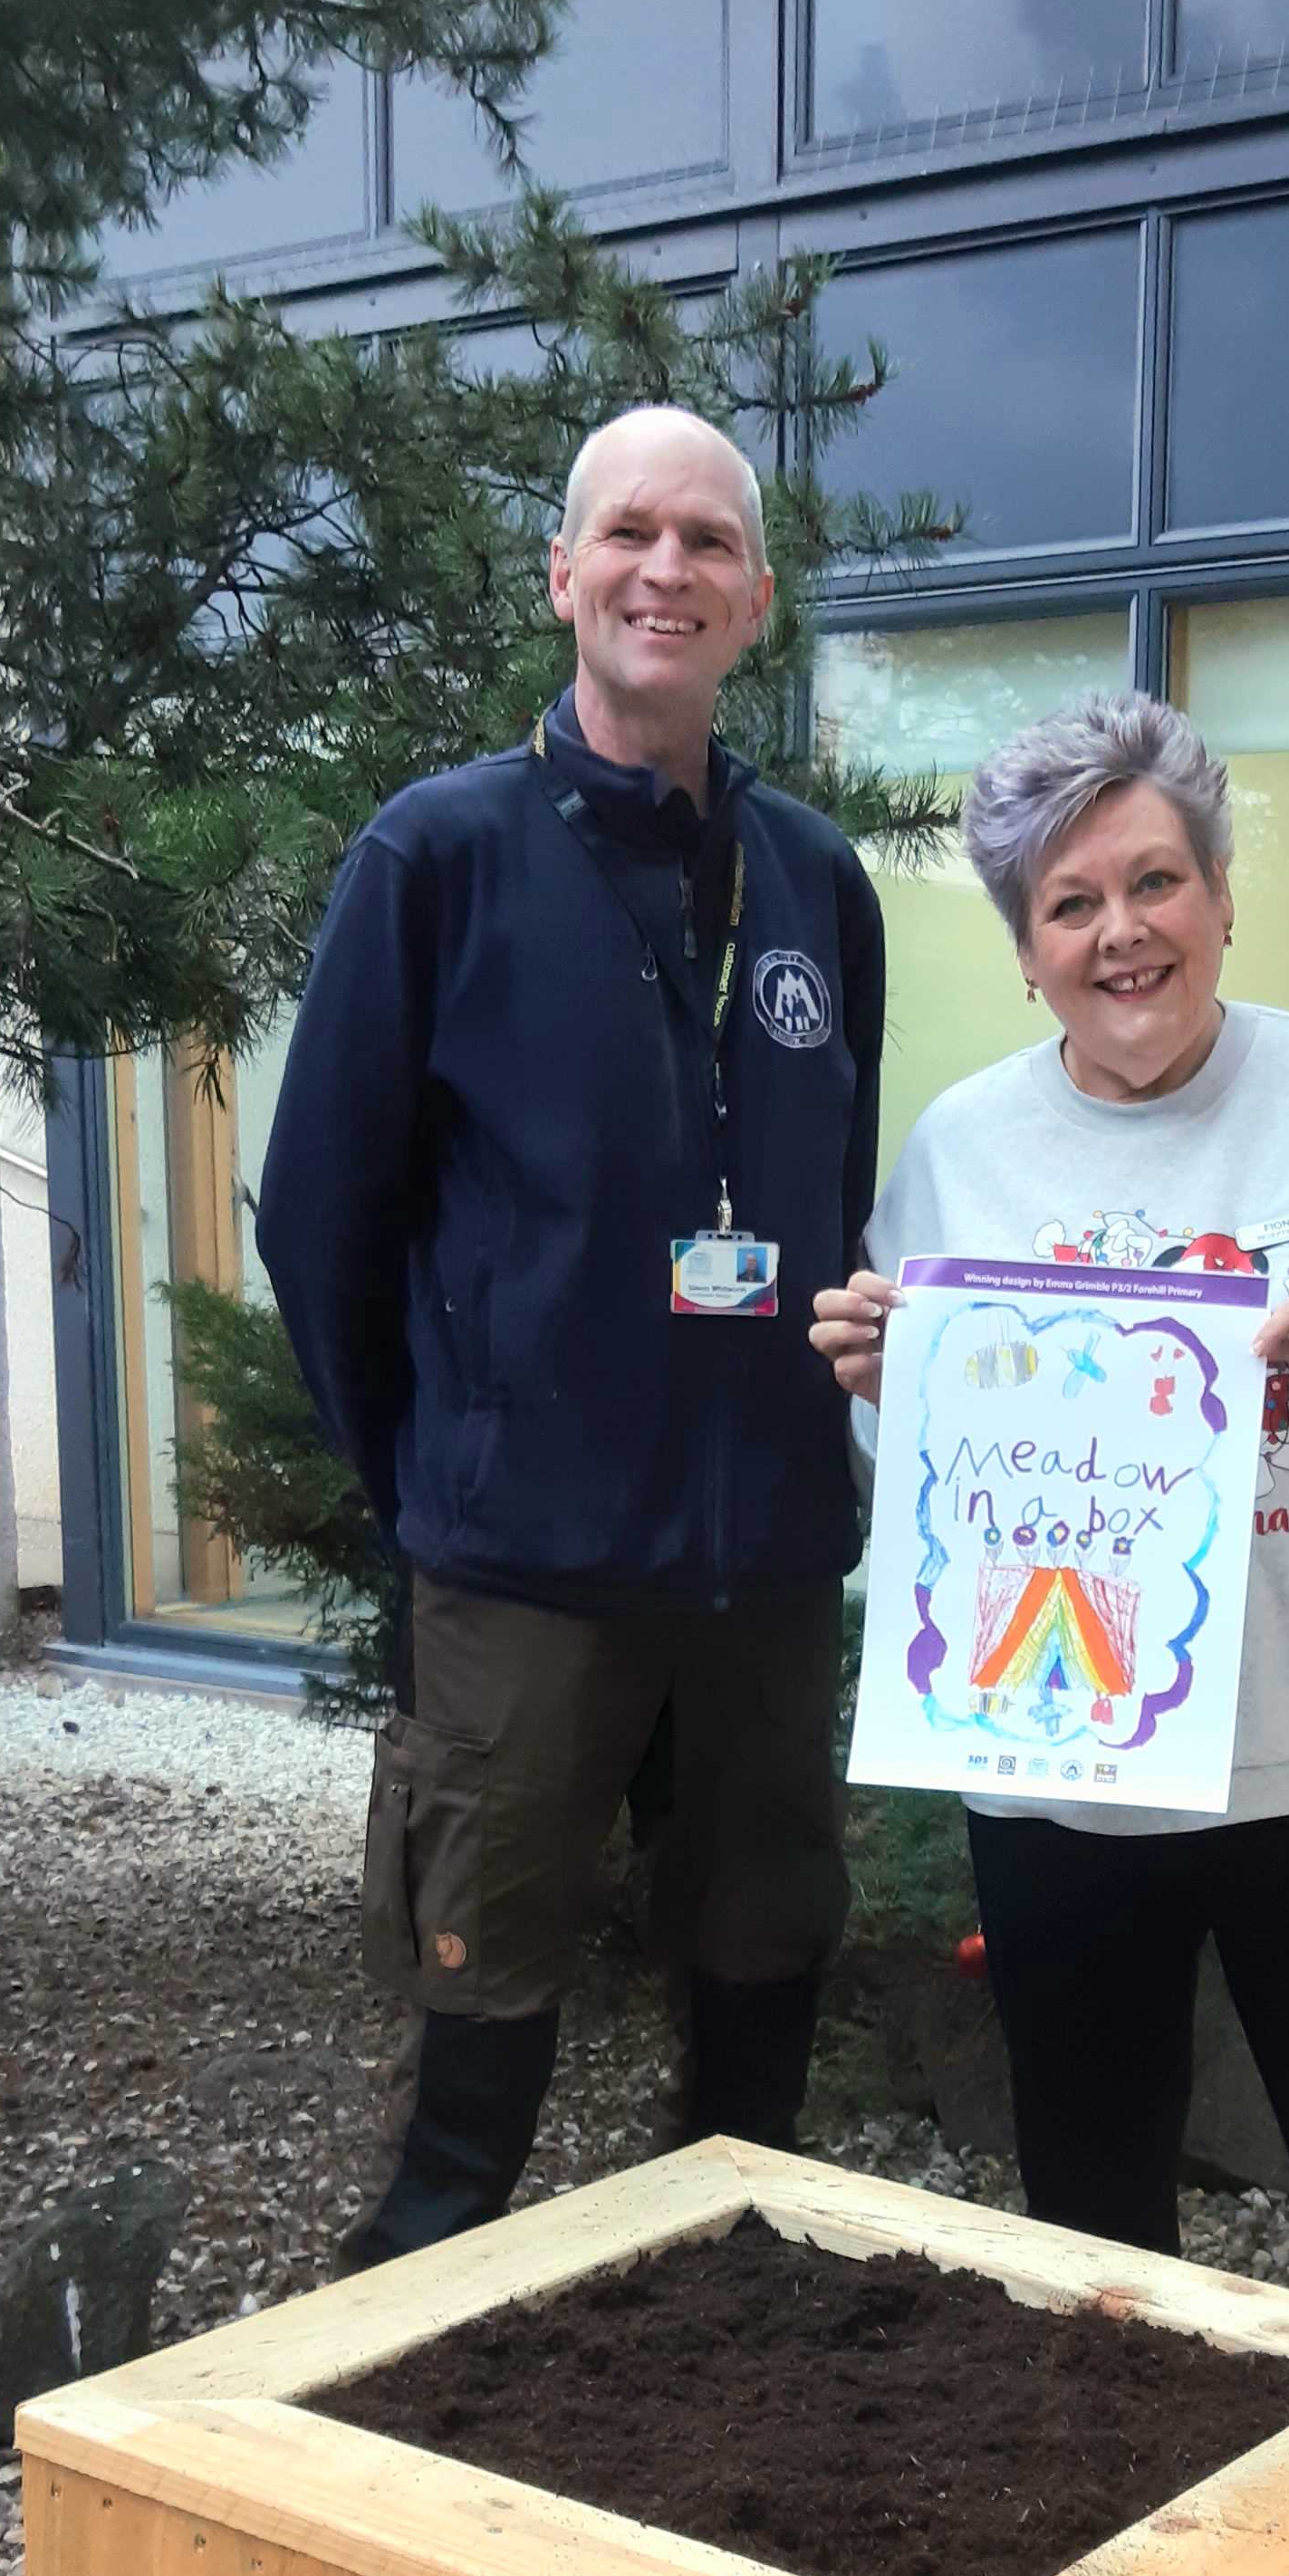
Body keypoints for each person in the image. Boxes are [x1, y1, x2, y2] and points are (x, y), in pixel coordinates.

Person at [810, 690, 1289, 2341]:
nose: (1120, 933)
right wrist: (891, 1406)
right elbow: (930, 1505)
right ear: (1023, 948)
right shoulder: (960, 1147)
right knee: (1089, 2209)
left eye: (1154, 884)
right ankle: (1125, 2529)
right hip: (1067, 1782)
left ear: (1221, 899)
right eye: (1070, 904)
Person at [258, 404, 884, 2267]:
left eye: (706, 543)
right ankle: (404, 2359)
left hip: (766, 1557)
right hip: (526, 1568)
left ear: (756, 600)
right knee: (486, 1991)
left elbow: (826, 1203)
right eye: (630, 535)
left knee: (765, 1963)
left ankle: (733, 2319)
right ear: (564, 576)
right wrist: (445, 1469)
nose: (665, 571)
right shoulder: (436, 858)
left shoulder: (817, 886)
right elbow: (319, 1221)